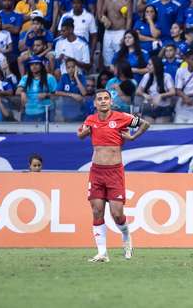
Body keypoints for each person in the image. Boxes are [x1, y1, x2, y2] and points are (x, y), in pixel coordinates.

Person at [77, 89, 151, 262]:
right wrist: (83, 133)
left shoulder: (121, 118)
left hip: (114, 172)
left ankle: (126, 236)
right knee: (97, 211)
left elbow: (145, 124)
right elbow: (80, 134)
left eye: (106, 98)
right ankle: (102, 253)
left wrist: (132, 138)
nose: (103, 101)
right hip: (96, 172)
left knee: (117, 214)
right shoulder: (91, 119)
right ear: (95, 103)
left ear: (111, 102)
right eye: (99, 99)